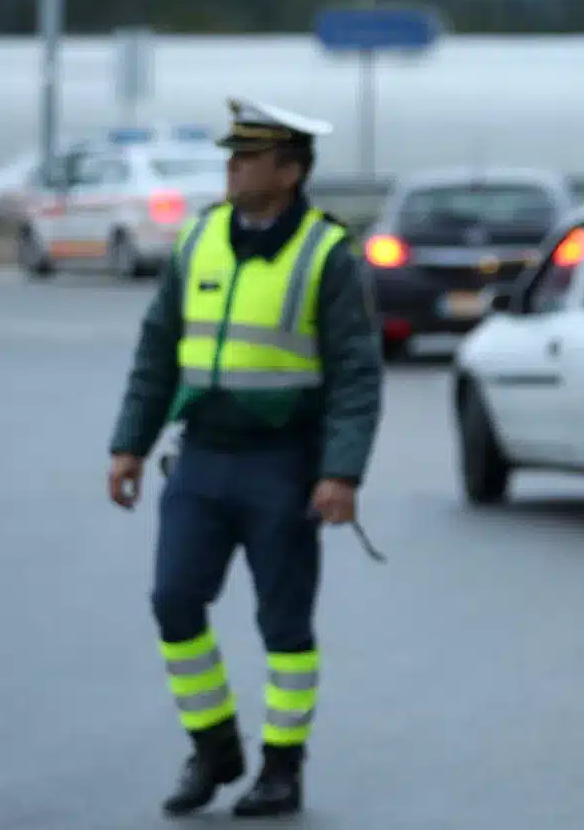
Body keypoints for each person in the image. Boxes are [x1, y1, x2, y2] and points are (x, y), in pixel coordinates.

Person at [105, 97, 384, 819]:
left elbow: (357, 373)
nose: (232, 167)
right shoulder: (198, 239)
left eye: (249, 157)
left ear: (289, 173)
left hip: (283, 464)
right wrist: (129, 445)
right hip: (200, 459)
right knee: (173, 602)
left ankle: (282, 769)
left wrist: (341, 472)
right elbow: (156, 350)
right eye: (232, 155)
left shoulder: (327, 252)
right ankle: (214, 748)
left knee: (284, 628)